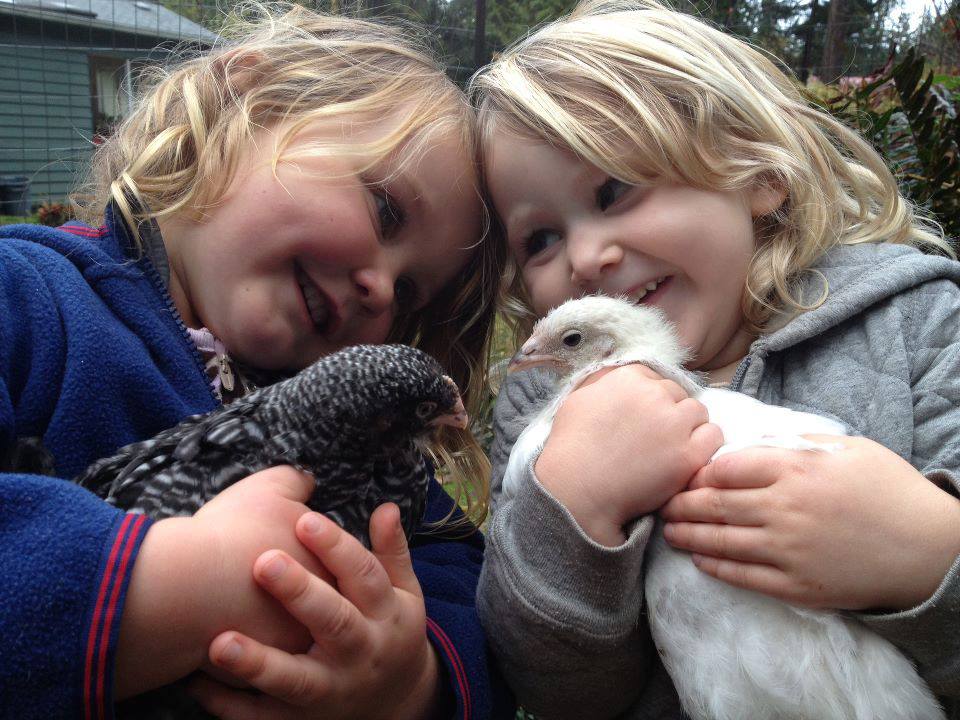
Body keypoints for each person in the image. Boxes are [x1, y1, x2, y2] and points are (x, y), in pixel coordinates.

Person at [0, 6, 513, 719]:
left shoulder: (362, 438)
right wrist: (173, 589)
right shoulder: (25, 298)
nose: (380, 288)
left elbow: (461, 588)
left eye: (408, 293)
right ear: (250, 102)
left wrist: (409, 680)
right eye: (386, 211)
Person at [468, 1, 960, 717]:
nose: (586, 256)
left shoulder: (916, 322)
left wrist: (927, 554)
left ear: (757, 175)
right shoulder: (547, 407)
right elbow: (548, 687)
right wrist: (572, 513)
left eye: (614, 191)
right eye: (539, 240)